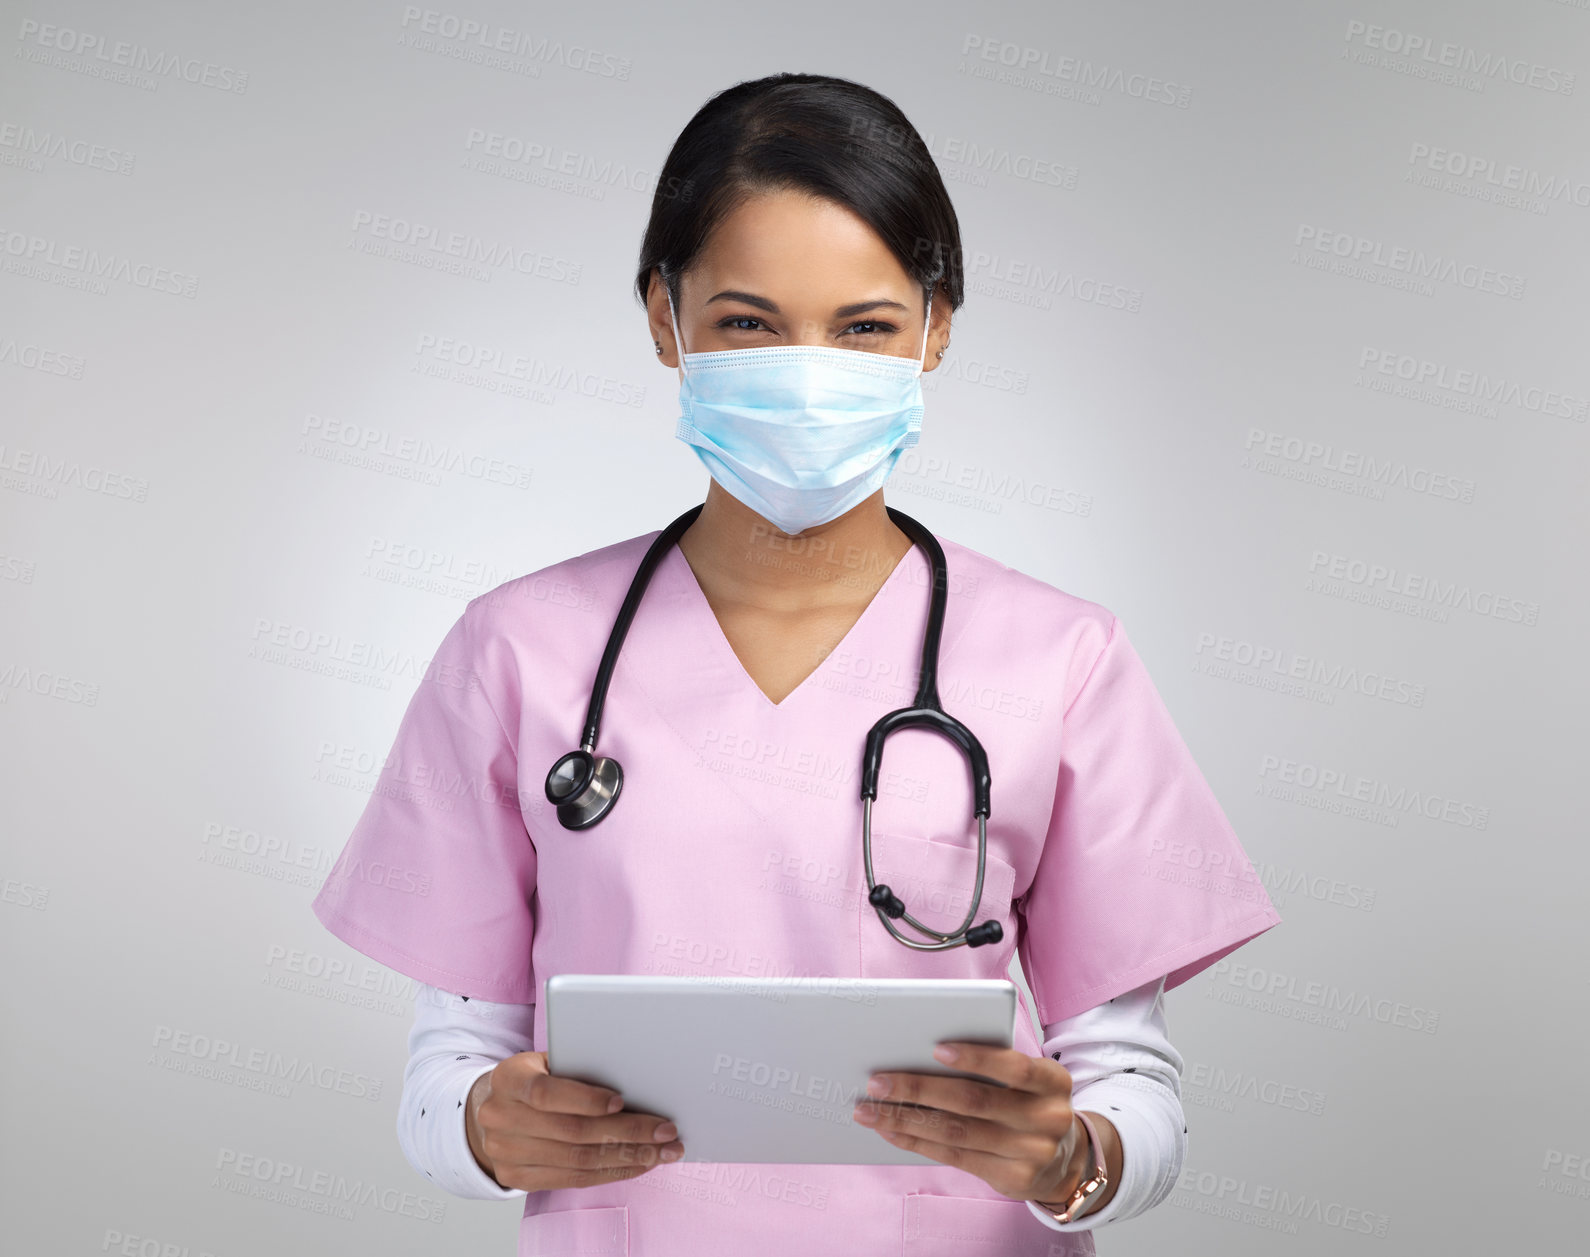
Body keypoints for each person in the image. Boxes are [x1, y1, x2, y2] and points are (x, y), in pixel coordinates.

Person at [310, 72, 1282, 1255]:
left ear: (936, 329)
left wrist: (1077, 1157)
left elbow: (1131, 1089)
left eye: (864, 327)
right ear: (665, 320)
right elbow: (447, 1078)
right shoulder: (519, 649)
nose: (807, 368)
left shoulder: (1062, 659)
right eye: (748, 322)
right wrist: (483, 1134)